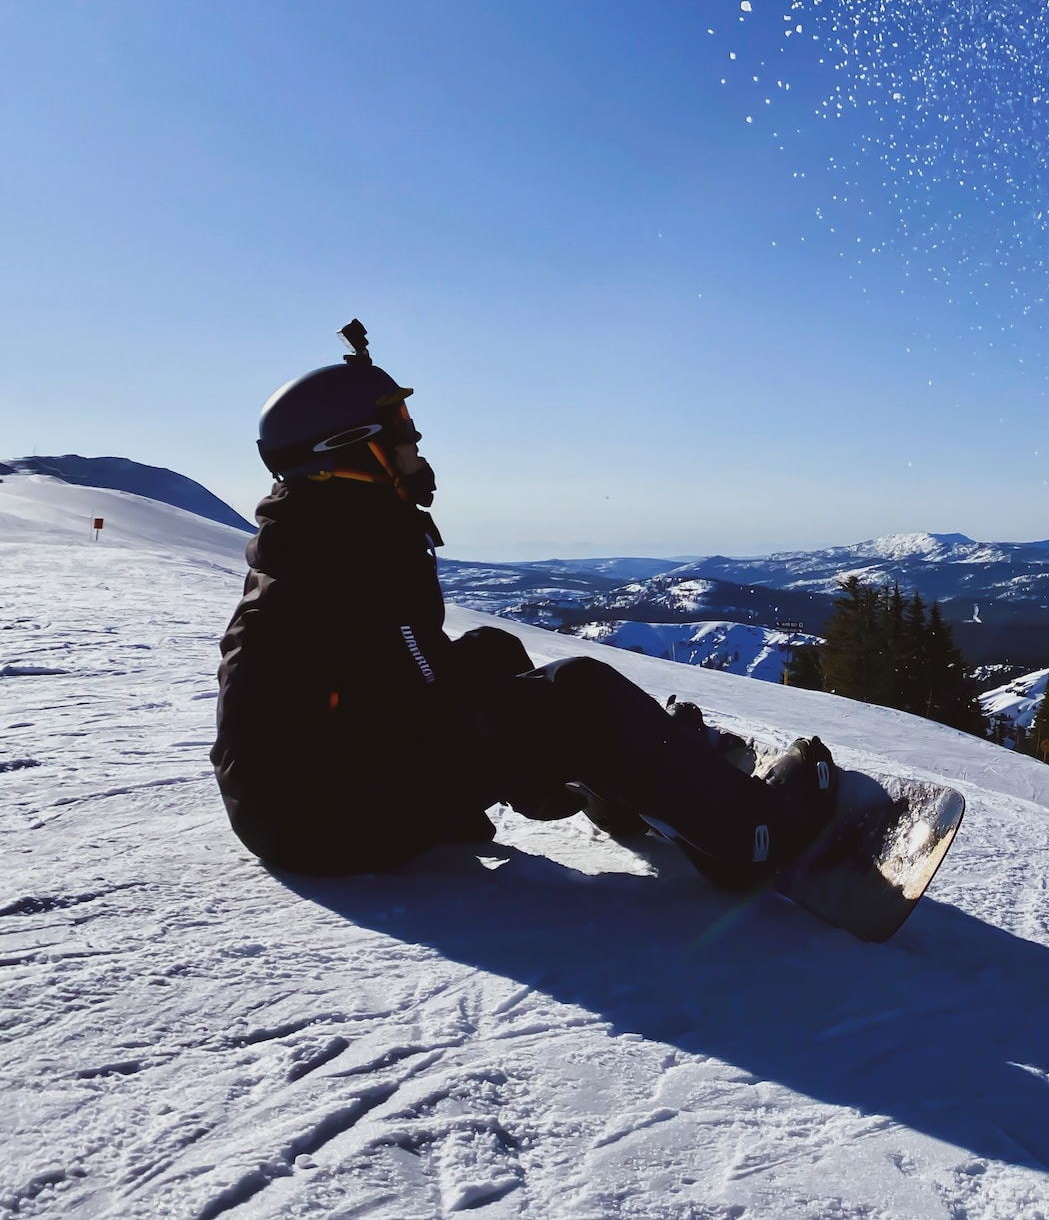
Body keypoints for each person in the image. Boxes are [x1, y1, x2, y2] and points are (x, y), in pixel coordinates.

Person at [210, 320, 838, 881]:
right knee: (579, 692)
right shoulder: (356, 550)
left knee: (496, 651)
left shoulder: (328, 531)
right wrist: (541, 736)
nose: (417, 439)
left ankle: (625, 784)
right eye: (399, 427)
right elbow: (428, 691)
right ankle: (751, 835)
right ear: (350, 447)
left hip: (313, 790)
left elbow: (393, 676)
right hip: (323, 822)